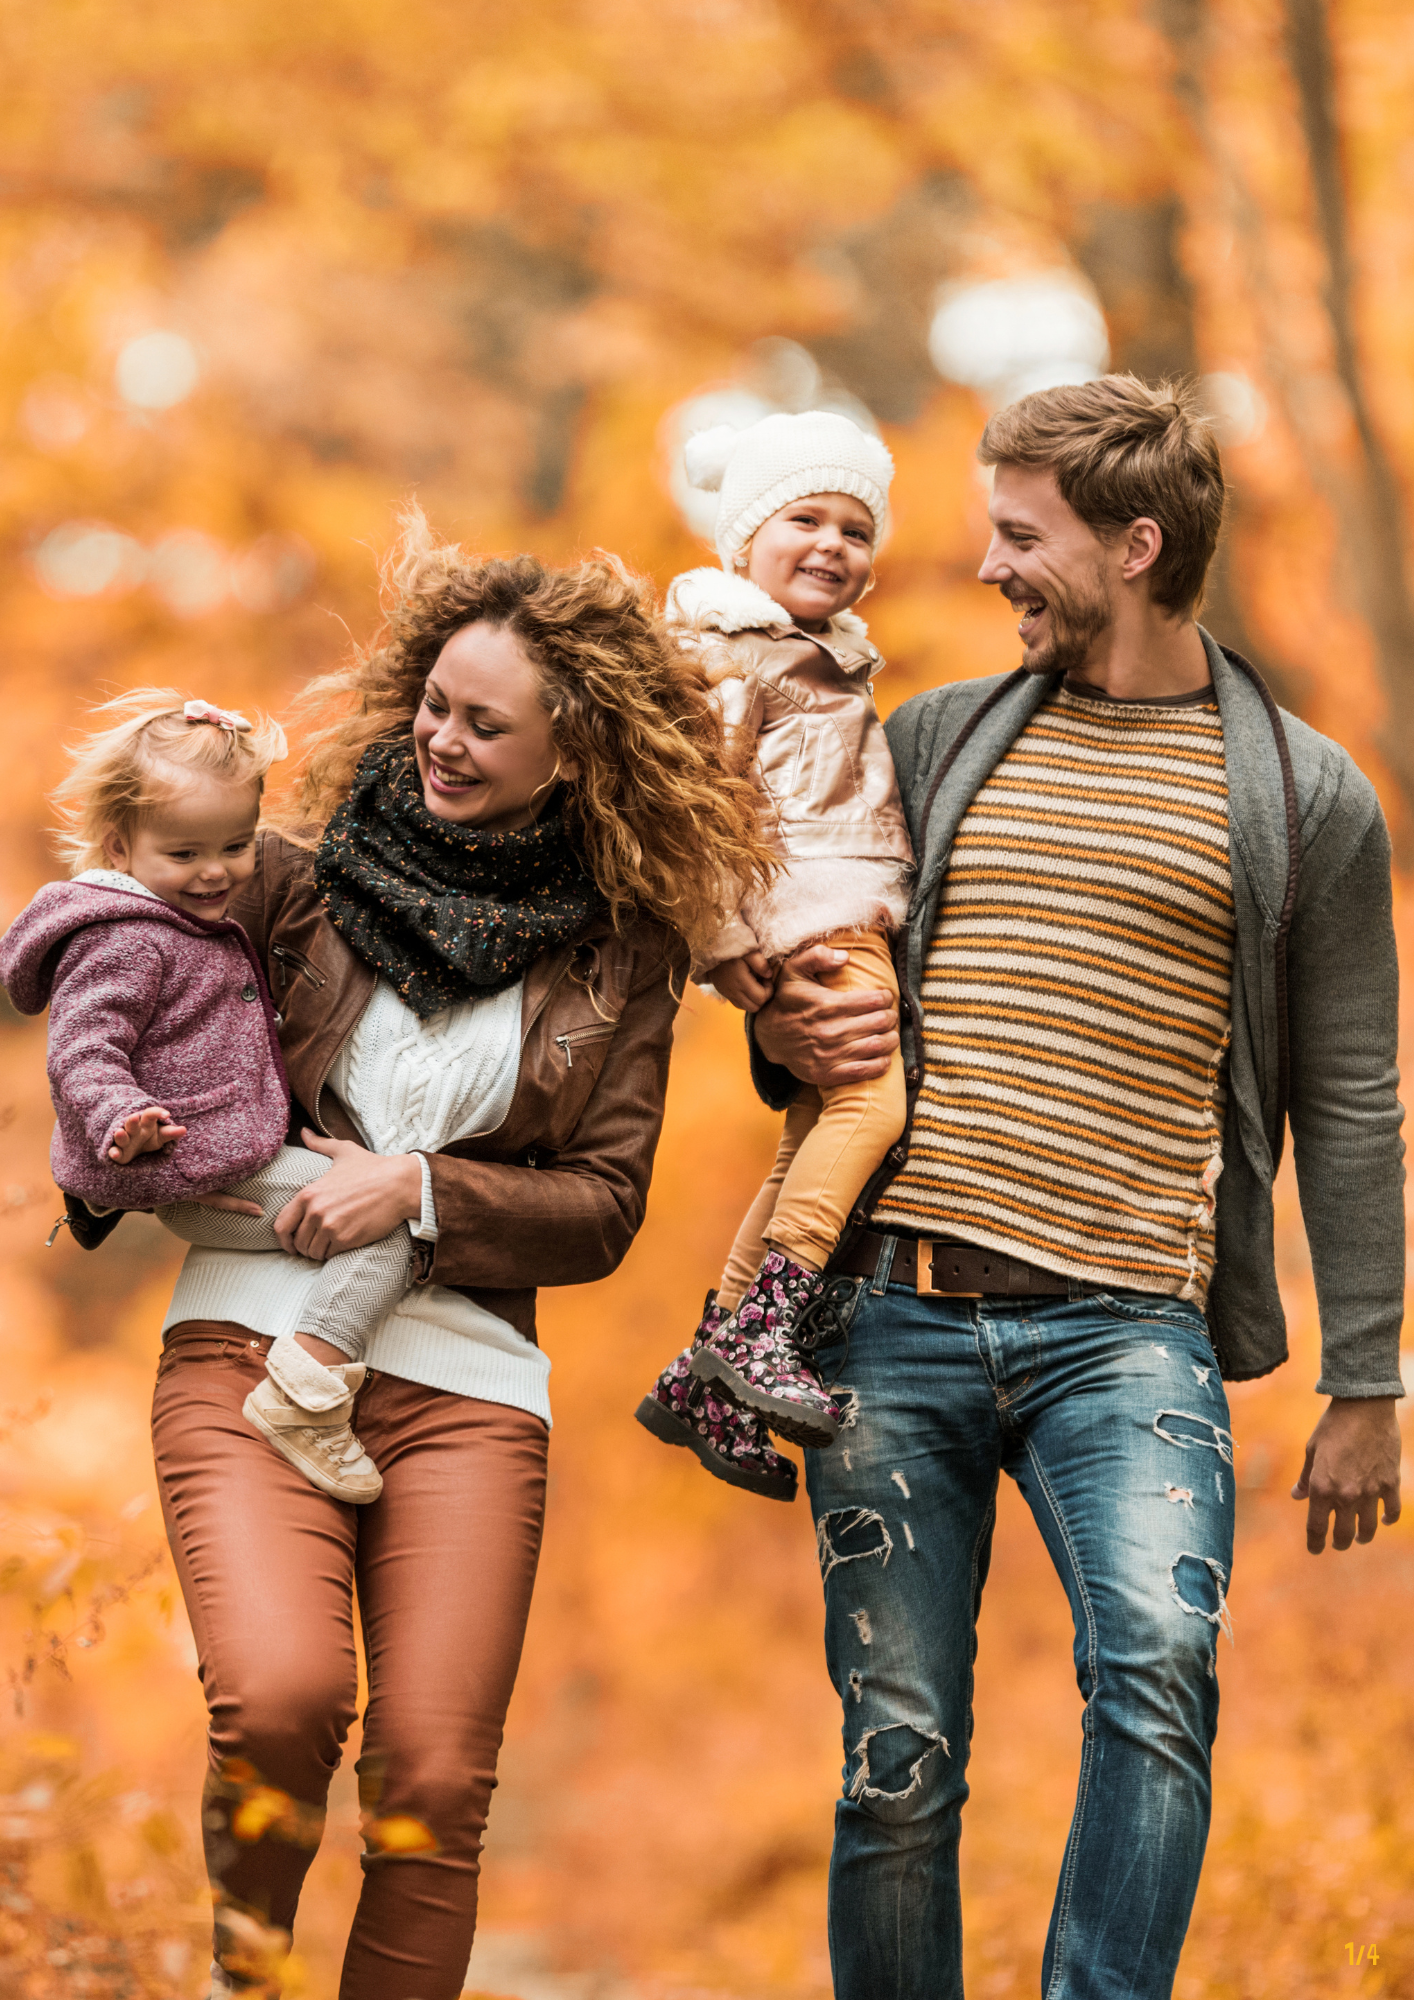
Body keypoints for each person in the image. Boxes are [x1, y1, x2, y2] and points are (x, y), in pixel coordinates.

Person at [746, 375, 1405, 1999]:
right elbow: (813, 1020)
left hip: (1127, 1335)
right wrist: (780, 1020)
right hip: (888, 1321)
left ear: (1132, 543)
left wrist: (1365, 1376)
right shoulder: (930, 739)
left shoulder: (1300, 798)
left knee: (1158, 1675)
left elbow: (1350, 1095)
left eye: (1016, 535)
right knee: (894, 1754)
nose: (983, 565)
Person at [130, 519, 766, 1998]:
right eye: (436, 706)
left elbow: (605, 1204)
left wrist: (418, 1189)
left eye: (488, 725)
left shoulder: (622, 949)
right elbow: (133, 953)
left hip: (470, 1387)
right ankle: (244, 1980)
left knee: (429, 1785)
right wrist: (117, 1126)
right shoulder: (292, 885)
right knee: (282, 1701)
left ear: (572, 755)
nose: (442, 741)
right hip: (248, 1342)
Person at [0, 691, 433, 1505]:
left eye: (237, 845)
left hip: (229, 1157)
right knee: (392, 1227)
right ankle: (306, 1394)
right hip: (198, 1173)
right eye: (186, 853)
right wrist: (119, 1121)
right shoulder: (124, 937)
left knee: (370, 1213)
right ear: (121, 847)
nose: (216, 872)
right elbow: (83, 1051)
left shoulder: (178, 917)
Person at [633, 410, 913, 1501]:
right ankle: (763, 1325)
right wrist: (720, 939)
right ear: (743, 540)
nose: (833, 544)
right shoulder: (731, 652)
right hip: (811, 909)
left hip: (829, 905)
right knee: (868, 1112)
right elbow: (685, 805)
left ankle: (704, 1366)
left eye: (855, 528)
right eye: (804, 517)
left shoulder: (821, 655)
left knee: (809, 1133)